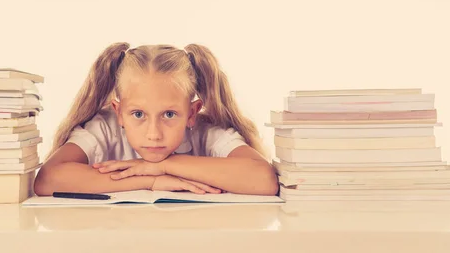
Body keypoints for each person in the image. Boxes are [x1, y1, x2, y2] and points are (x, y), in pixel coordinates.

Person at [33, 43, 279, 196]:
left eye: (169, 115)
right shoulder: (104, 127)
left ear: (192, 113)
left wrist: (163, 165)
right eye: (138, 114)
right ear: (118, 111)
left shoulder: (208, 132)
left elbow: (264, 179)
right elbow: (48, 179)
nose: (154, 134)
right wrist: (151, 180)